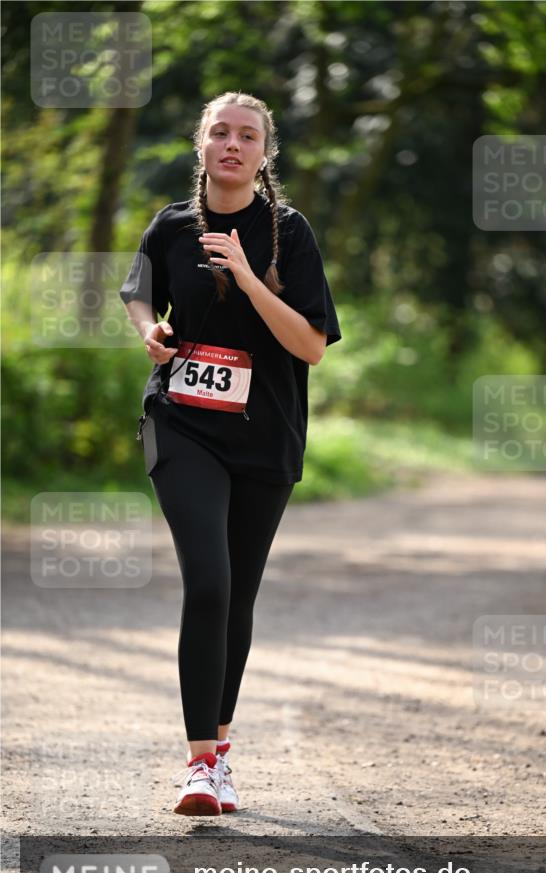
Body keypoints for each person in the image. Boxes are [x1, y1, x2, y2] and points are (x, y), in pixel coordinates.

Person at [119, 91, 342, 816]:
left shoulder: (289, 234)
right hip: (182, 423)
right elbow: (138, 291)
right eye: (220, 132)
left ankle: (219, 752)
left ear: (264, 153)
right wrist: (150, 330)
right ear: (202, 144)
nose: (233, 144)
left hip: (264, 434)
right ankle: (198, 766)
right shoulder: (172, 224)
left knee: (238, 593)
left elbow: (311, 345)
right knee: (209, 583)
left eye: (248, 135)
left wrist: (247, 276)